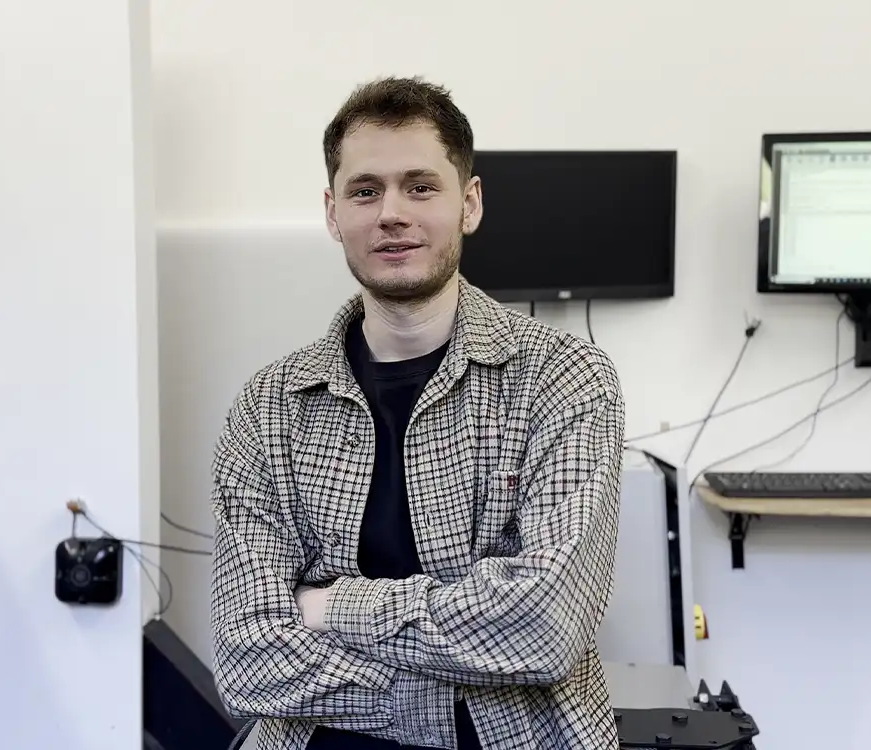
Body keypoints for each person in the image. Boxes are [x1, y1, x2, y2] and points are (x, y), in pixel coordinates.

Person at [209, 76, 625, 750]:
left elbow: (545, 626)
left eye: (421, 186)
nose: (392, 213)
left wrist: (331, 604)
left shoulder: (565, 379)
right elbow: (247, 656)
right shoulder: (267, 409)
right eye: (365, 190)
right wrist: (455, 684)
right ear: (332, 212)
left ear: (470, 203)